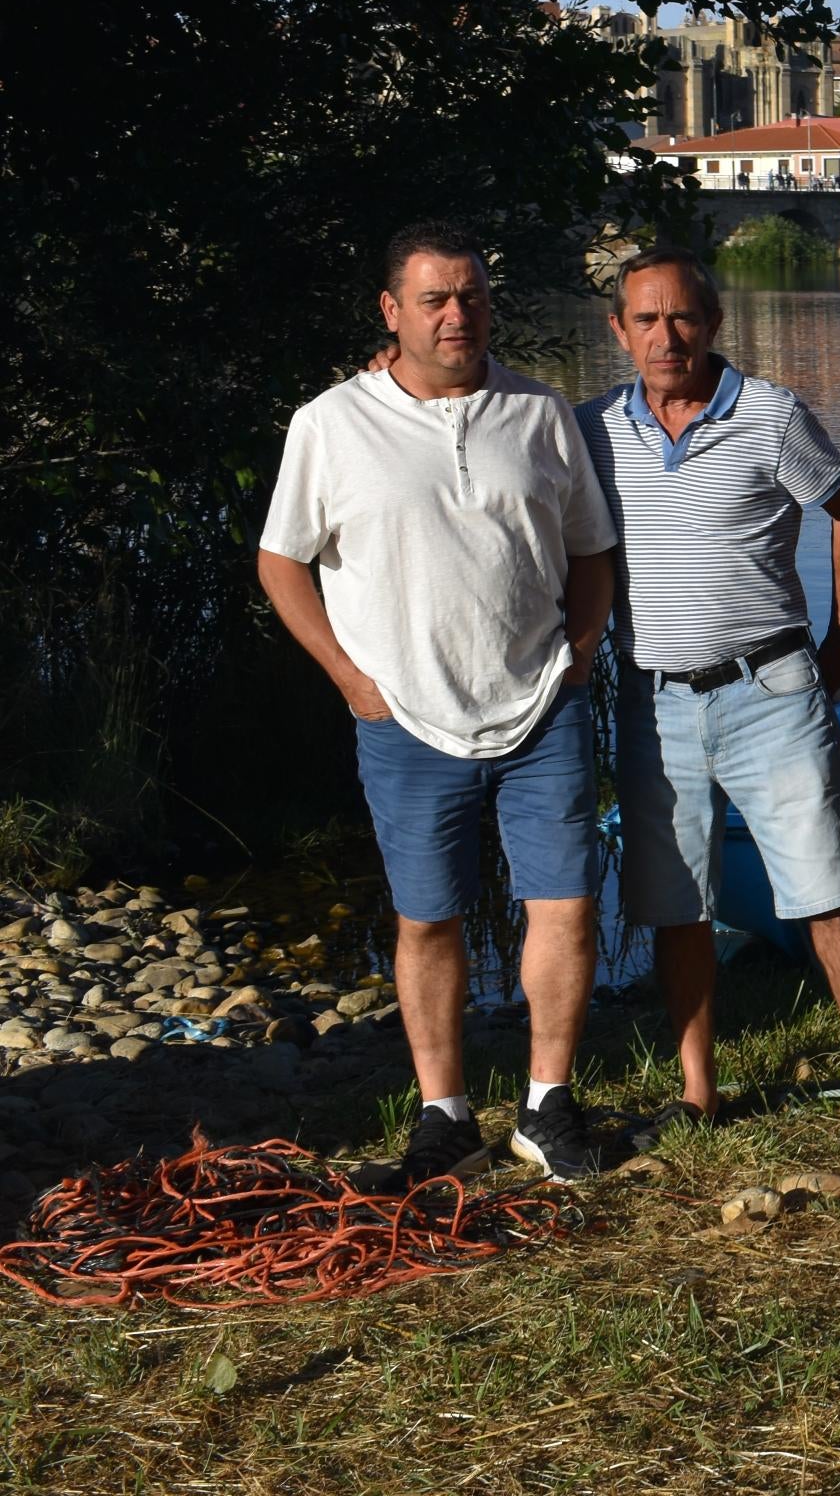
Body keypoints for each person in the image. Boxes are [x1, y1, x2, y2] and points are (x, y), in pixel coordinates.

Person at [256, 222, 617, 1186]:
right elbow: (280, 559)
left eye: (472, 298)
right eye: (434, 300)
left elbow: (591, 549)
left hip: (541, 705)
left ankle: (547, 1105)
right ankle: (445, 1114)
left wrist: (580, 652)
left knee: (568, 905)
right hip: (405, 717)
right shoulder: (331, 424)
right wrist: (347, 676)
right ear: (392, 310)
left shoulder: (540, 413)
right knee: (428, 919)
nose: (458, 316)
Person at [576, 247, 840, 1148]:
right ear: (620, 332)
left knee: (826, 884)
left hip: (772, 686)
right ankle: (696, 1088)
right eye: (646, 320)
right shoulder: (591, 428)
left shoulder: (771, 415)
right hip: (655, 698)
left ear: (713, 324)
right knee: (678, 902)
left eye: (683, 318)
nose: (666, 337)